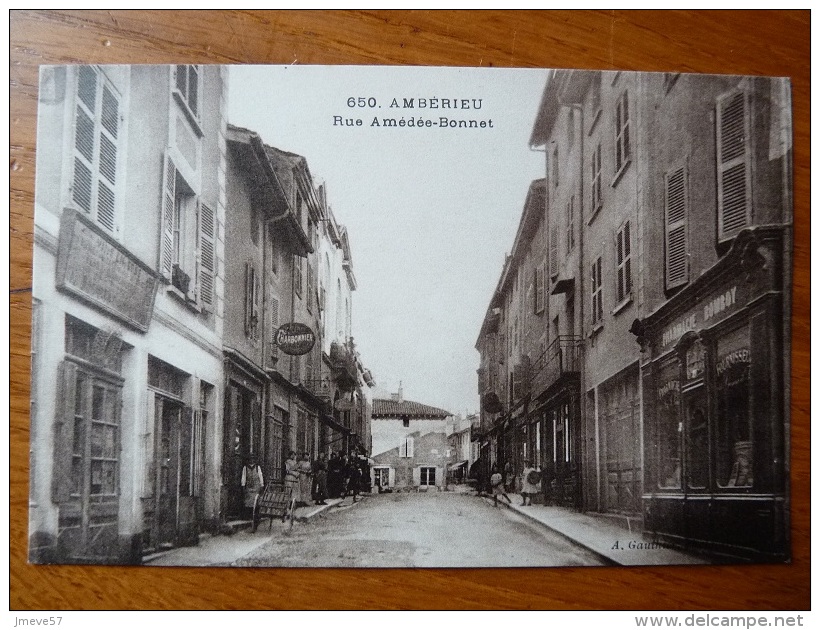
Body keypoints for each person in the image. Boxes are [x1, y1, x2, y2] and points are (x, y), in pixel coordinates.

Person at [284, 451, 300, 517]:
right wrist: (294, 473)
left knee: (294, 494)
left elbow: (298, 469)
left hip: (295, 480)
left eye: (294, 455)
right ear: (290, 455)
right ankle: (286, 509)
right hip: (289, 479)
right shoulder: (287, 462)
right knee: (288, 494)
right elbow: (287, 470)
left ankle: (293, 510)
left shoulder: (295, 462)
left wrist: (298, 473)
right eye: (292, 455)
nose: (293, 456)